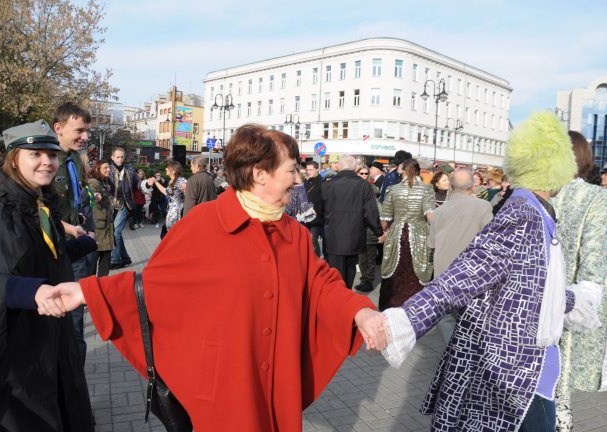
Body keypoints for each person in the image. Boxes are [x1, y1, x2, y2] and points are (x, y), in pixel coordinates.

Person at [45, 124, 387, 431]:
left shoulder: (292, 233)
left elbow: (320, 283)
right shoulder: (205, 223)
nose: (298, 179)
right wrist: (86, 291)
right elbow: (154, 286)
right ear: (260, 173)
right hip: (225, 380)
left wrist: (360, 311)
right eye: (291, 169)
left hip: (276, 375)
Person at [379, 111, 603, 432]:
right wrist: (404, 321)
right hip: (519, 371)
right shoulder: (525, 214)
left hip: (528, 366)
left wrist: (575, 300)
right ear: (555, 167)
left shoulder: (535, 211)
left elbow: (532, 286)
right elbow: (465, 274)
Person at [0, 120, 94, 430]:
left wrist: (77, 247)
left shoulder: (39, 202)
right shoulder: (0, 210)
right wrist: (30, 291)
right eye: (34, 154)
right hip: (18, 350)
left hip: (51, 335)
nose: (46, 162)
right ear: (13, 158)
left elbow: (37, 258)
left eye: (51, 155)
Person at [550, 130, 607, 430]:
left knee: (544, 385)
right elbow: (594, 260)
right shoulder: (597, 197)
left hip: (536, 302)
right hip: (572, 302)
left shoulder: (538, 194)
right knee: (560, 390)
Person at [427, 169, 493, 343]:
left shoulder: (439, 212)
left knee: (445, 316)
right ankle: (466, 350)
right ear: (473, 186)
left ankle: (453, 346)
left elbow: (432, 243)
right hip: (472, 273)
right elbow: (491, 240)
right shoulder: (483, 206)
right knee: (470, 317)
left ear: (451, 187)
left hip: (444, 273)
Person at [52, 102, 94, 365]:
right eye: (79, 130)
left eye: (87, 131)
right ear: (59, 128)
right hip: (56, 247)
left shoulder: (76, 159)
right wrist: (67, 227)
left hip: (76, 246)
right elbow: (37, 210)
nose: (86, 137)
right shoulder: (45, 159)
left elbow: (75, 196)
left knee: (76, 324)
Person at [378, 159, 435, 310]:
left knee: (395, 273)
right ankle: (416, 308)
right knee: (416, 273)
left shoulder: (393, 189)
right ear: (419, 171)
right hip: (420, 235)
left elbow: (384, 218)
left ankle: (392, 307)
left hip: (397, 234)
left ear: (402, 171)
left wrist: (386, 231)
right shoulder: (427, 189)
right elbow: (430, 215)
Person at [322, 155, 384, 288]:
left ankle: (336, 301)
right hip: (354, 235)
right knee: (349, 272)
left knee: (334, 273)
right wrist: (379, 231)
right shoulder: (364, 185)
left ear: (339, 166)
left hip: (333, 235)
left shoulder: (327, 185)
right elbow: (371, 212)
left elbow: (320, 211)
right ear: (355, 168)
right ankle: (346, 299)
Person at [108, 147, 139, 269]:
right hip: (110, 205)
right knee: (114, 232)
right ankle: (125, 258)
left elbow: (137, 182)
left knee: (116, 233)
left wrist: (146, 184)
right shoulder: (108, 169)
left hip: (125, 204)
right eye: (118, 157)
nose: (120, 159)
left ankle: (115, 260)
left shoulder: (129, 168)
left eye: (122, 157)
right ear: (112, 157)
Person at [355, 165, 381, 292]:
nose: (364, 176)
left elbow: (376, 212)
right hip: (358, 230)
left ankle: (369, 281)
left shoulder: (372, 188)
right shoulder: (354, 189)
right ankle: (364, 280)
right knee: (361, 258)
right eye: (361, 173)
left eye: (366, 173)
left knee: (370, 258)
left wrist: (380, 231)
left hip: (371, 230)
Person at [88, 161, 116, 277]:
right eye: (105, 168)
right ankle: (91, 286)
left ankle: (102, 285)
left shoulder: (104, 181)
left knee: (106, 258)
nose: (108, 170)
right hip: (99, 227)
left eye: (109, 168)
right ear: (97, 169)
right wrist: (95, 196)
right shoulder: (94, 182)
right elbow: (92, 193)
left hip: (106, 227)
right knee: (94, 259)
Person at [148, 161, 186, 239]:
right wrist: (155, 181)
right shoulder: (171, 181)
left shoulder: (181, 181)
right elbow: (165, 191)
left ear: (174, 170)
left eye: (168, 167)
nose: (166, 168)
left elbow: (188, 194)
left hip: (177, 212)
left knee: (170, 235)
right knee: (166, 235)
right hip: (171, 211)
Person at [304, 161, 324, 257]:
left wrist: (318, 210)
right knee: (305, 241)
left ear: (317, 170)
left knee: (312, 240)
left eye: (311, 170)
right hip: (304, 216)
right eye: (307, 170)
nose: (309, 172)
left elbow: (323, 199)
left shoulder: (322, 182)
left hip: (316, 217)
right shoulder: (306, 182)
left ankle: (317, 261)